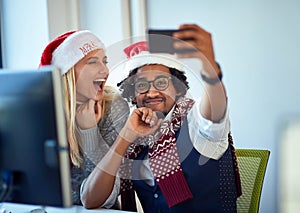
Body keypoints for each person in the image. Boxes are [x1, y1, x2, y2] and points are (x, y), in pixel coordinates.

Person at [81, 23, 241, 212]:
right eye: (141, 85)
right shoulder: (135, 143)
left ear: (178, 88)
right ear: (133, 94)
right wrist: (126, 136)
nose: (151, 92)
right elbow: (90, 200)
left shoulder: (195, 122)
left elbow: (215, 107)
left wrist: (209, 67)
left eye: (161, 82)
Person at [39, 30, 130, 208]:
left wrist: (90, 133)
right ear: (68, 72)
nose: (105, 70)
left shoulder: (114, 107)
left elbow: (106, 199)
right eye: (92, 62)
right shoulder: (40, 113)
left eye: (104, 61)